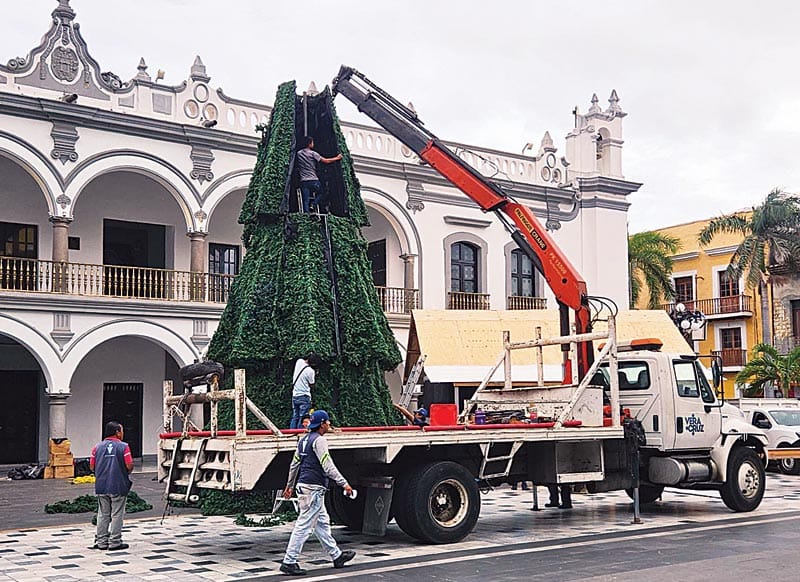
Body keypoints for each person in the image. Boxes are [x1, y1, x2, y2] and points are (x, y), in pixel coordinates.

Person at [280, 410, 356, 576]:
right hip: (313, 488)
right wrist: (344, 483)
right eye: (328, 422)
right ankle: (289, 561)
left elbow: (294, 464)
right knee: (304, 525)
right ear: (322, 424)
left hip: (305, 487)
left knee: (322, 523)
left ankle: (337, 556)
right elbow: (327, 465)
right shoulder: (320, 440)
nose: (329, 424)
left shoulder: (304, 439)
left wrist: (289, 485)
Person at [89, 420, 134, 550]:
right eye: (122, 430)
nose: (123, 433)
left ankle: (101, 542)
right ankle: (115, 542)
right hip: (118, 485)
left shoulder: (97, 447)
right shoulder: (123, 447)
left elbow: (92, 466)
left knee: (103, 514)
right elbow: (129, 465)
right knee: (117, 514)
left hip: (101, 486)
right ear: (117, 432)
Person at [296, 136, 342, 213]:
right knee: (322, 192)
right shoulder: (313, 154)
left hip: (303, 181)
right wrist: (337, 158)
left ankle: (306, 215)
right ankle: (313, 204)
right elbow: (326, 161)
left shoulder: (299, 153)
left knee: (305, 199)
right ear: (309, 144)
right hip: (313, 180)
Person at [290, 353, 321, 429]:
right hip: (304, 396)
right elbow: (312, 384)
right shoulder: (310, 371)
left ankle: (291, 432)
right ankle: (300, 434)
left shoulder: (299, 361)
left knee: (295, 416)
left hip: (295, 395)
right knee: (303, 418)